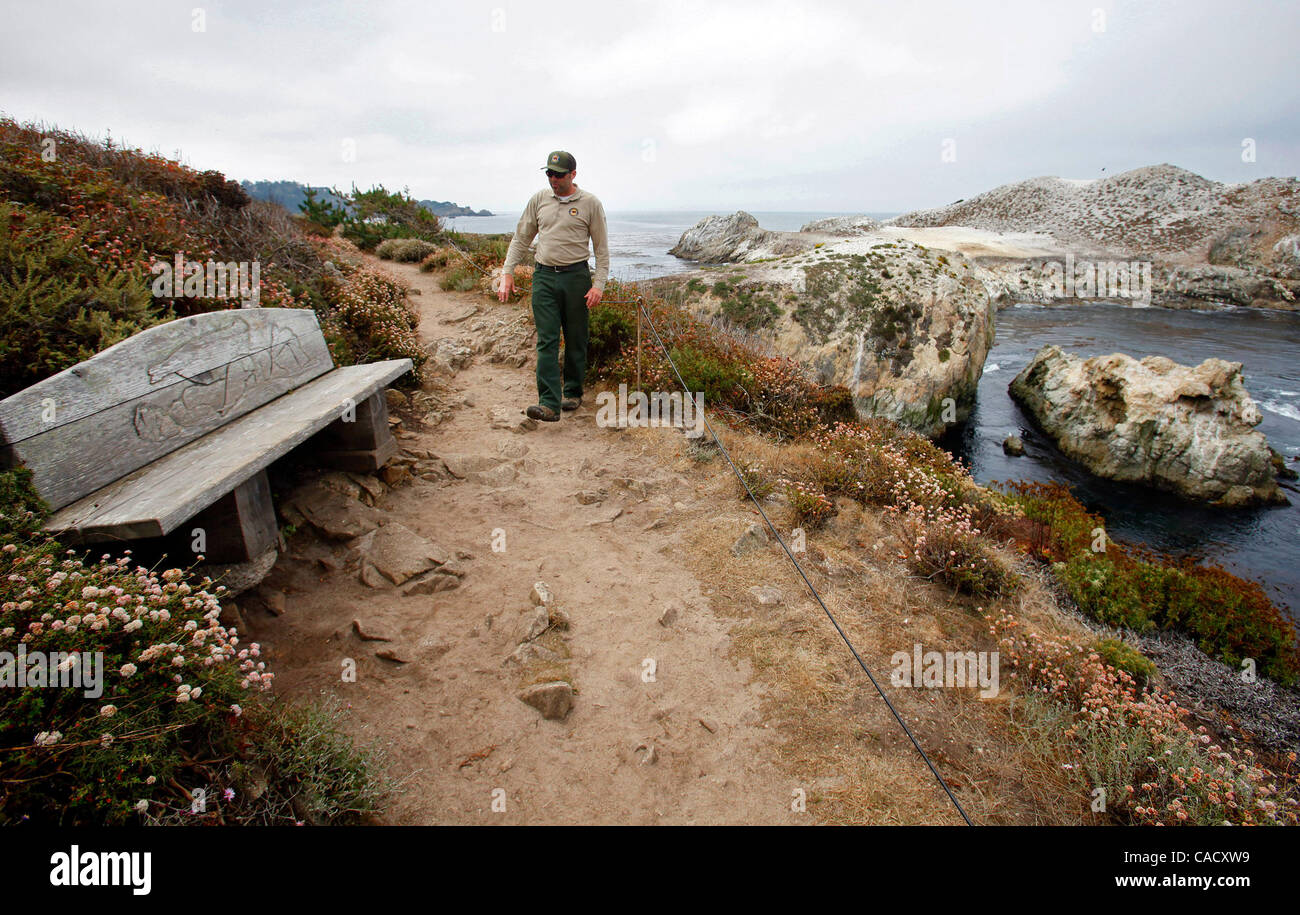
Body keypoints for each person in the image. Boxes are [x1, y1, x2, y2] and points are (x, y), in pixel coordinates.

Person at [498, 150, 610, 422]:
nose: (553, 179)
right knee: (547, 339)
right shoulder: (539, 200)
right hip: (544, 277)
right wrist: (507, 272)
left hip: (576, 278)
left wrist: (599, 285)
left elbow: (602, 250)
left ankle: (572, 392)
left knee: (576, 338)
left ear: (572, 174)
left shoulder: (591, 203)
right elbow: (521, 238)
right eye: (549, 173)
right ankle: (549, 402)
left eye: (559, 174)